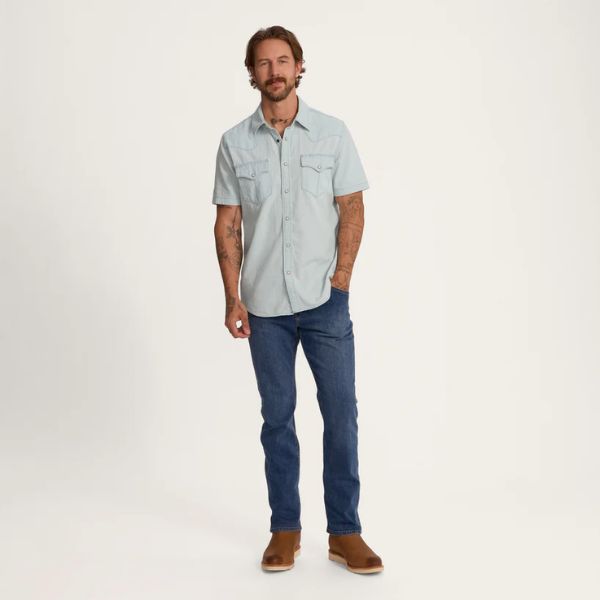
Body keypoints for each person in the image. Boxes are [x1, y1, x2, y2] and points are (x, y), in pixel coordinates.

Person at [212, 25, 383, 575]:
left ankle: (345, 532)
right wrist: (231, 297)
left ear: (300, 67)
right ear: (252, 74)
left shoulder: (332, 134)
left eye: (283, 61)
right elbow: (228, 222)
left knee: (341, 414)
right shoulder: (234, 143)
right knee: (277, 419)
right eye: (263, 64)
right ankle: (284, 529)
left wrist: (343, 281)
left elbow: (352, 208)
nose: (274, 71)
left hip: (324, 301)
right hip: (264, 306)